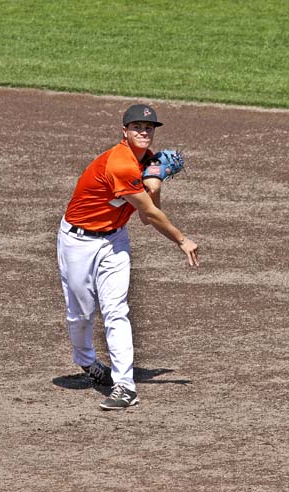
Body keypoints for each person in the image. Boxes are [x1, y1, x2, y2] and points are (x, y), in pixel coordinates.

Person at [57, 104, 199, 410]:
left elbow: (148, 210)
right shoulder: (121, 164)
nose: (144, 132)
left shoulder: (146, 160)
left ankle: (124, 385)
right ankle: (86, 361)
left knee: (116, 310)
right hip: (77, 241)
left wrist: (155, 182)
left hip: (114, 240)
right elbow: (148, 213)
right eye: (137, 127)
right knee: (80, 313)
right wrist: (182, 240)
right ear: (125, 132)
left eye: (149, 128)